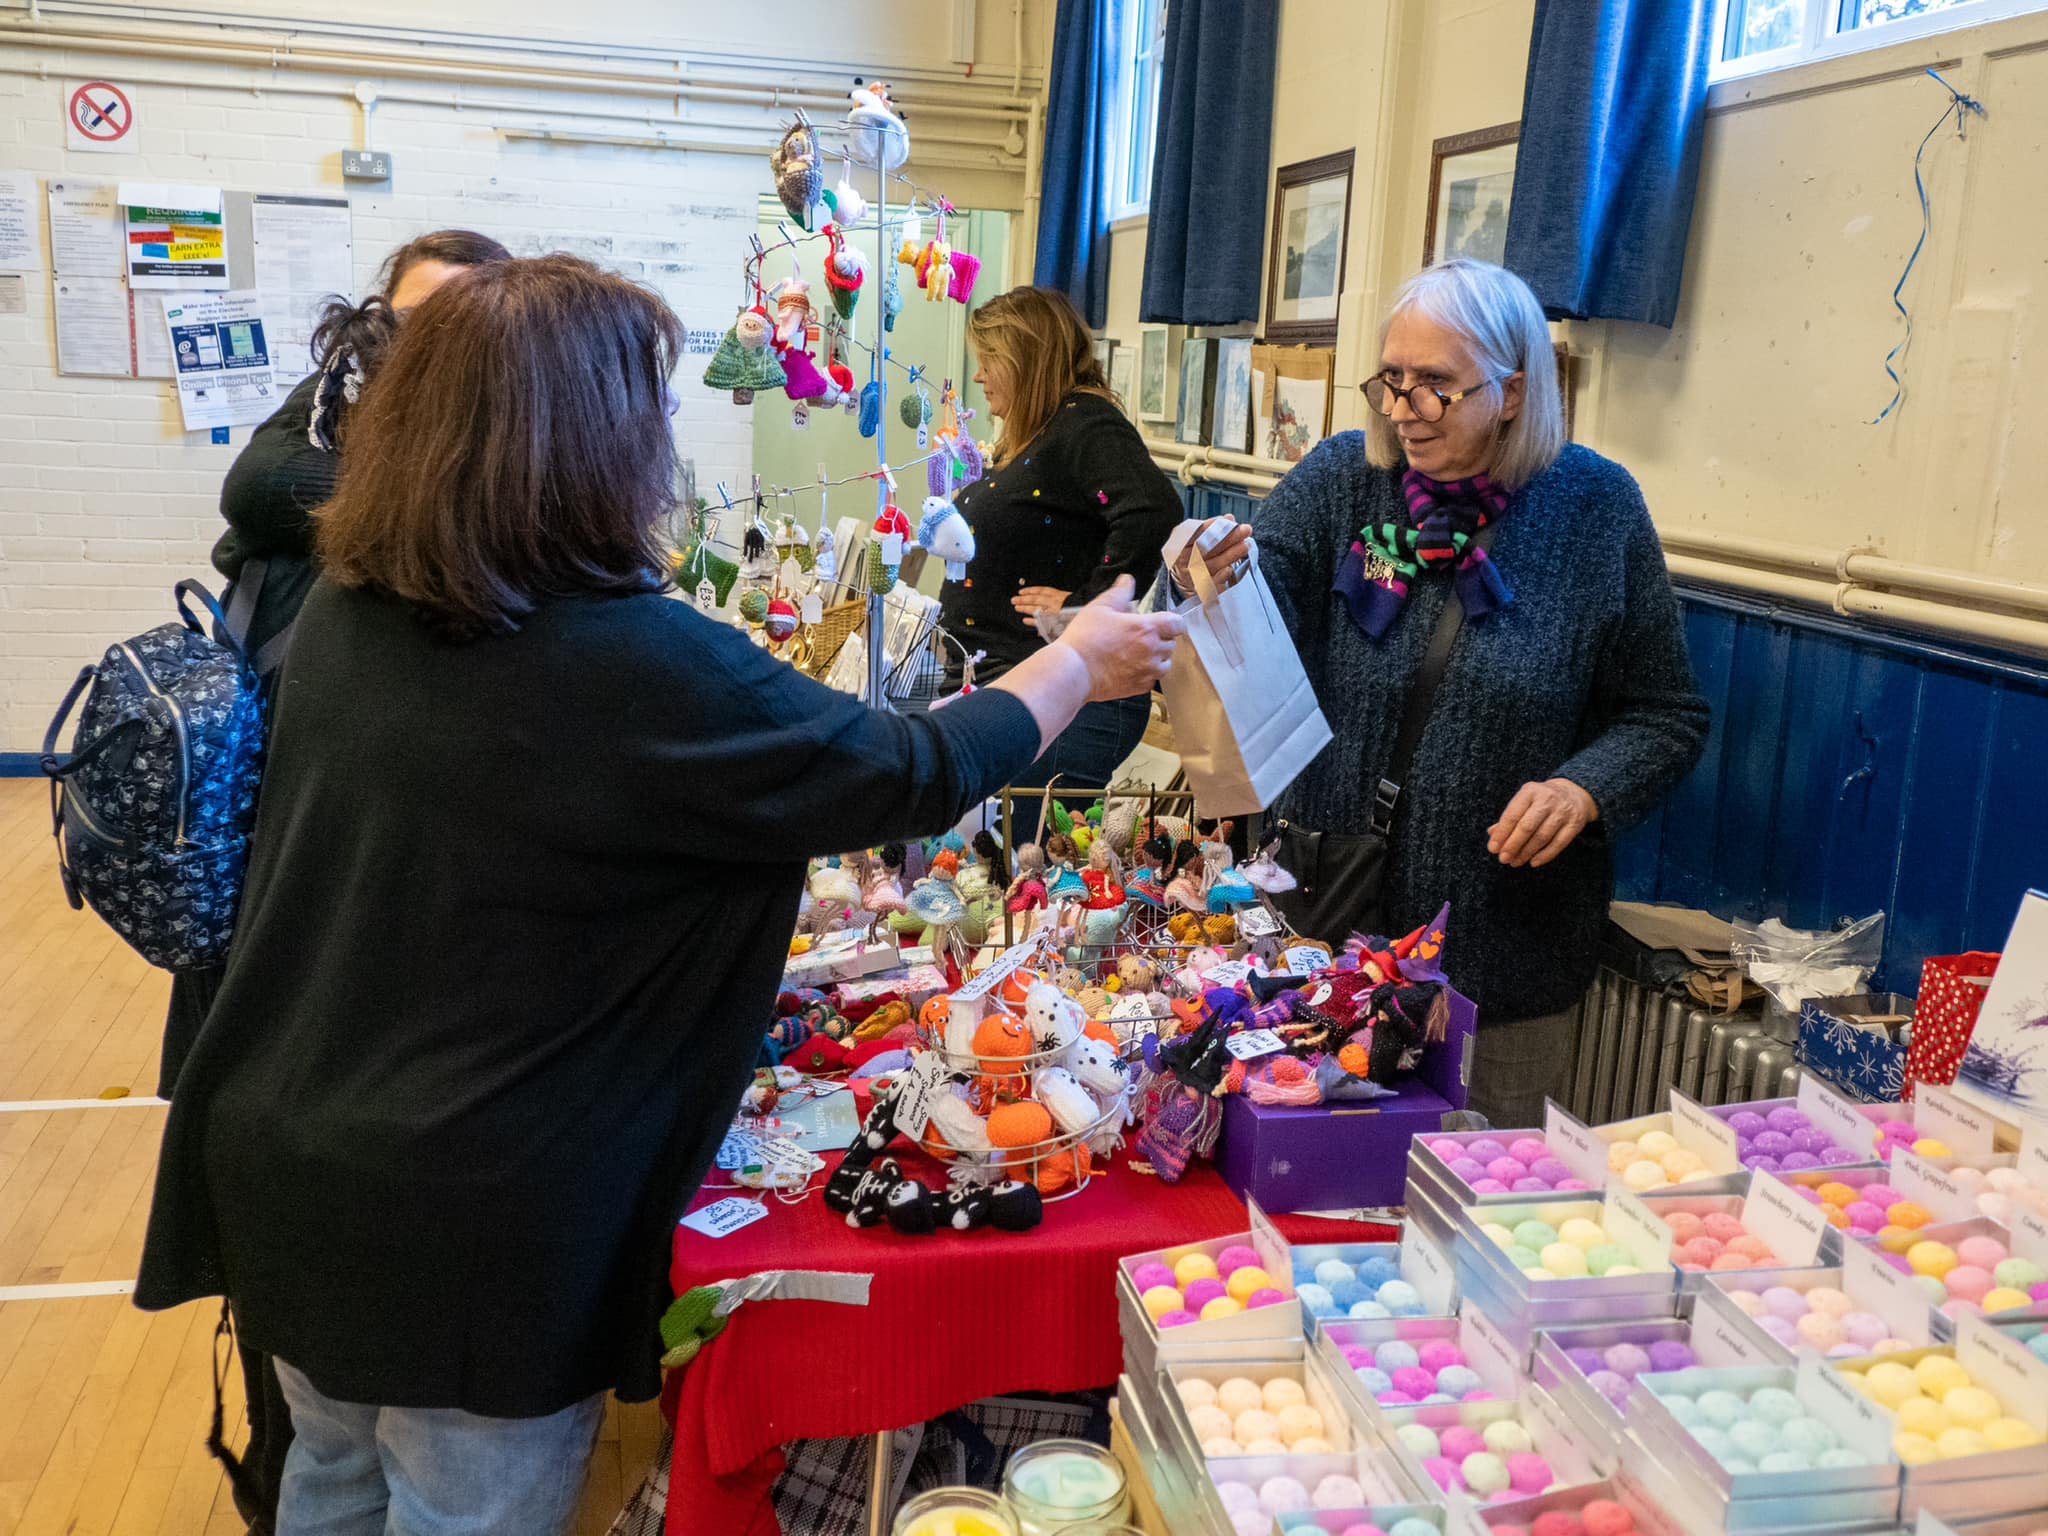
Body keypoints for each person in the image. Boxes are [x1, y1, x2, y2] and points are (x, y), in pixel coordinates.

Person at [135, 255, 1182, 1536]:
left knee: (331, 1488)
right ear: (584, 443)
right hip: (469, 1215)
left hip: (288, 1159)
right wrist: (1078, 661)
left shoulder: (358, 608)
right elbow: (911, 769)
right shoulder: (628, 663)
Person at [1177, 259, 1708, 1127]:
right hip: (1328, 935)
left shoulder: (1597, 510)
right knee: (1309, 1199)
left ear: (1510, 391)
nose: (1400, 410)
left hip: (1505, 959)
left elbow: (1667, 714)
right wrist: (1206, 574)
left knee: (1476, 1206)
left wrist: (1585, 788)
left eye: (1433, 387)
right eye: (1391, 380)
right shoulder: (1347, 478)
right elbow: (1255, 596)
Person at [161, 228, 509, 1535]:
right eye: (421, 327)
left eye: (474, 330)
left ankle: (298, 1467)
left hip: (317, 947)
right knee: (295, 1298)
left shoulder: (401, 512)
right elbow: (260, 480)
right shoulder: (332, 479)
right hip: (279, 932)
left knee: (317, 1332)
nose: (444, 357)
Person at [941, 286, 1185, 794]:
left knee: (1019, 867)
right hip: (1021, 684)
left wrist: (1082, 609)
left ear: (1026, 358)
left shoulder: (1084, 422)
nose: (980, 376)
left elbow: (1153, 509)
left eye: (990, 361)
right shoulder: (1045, 429)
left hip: (1067, 700)